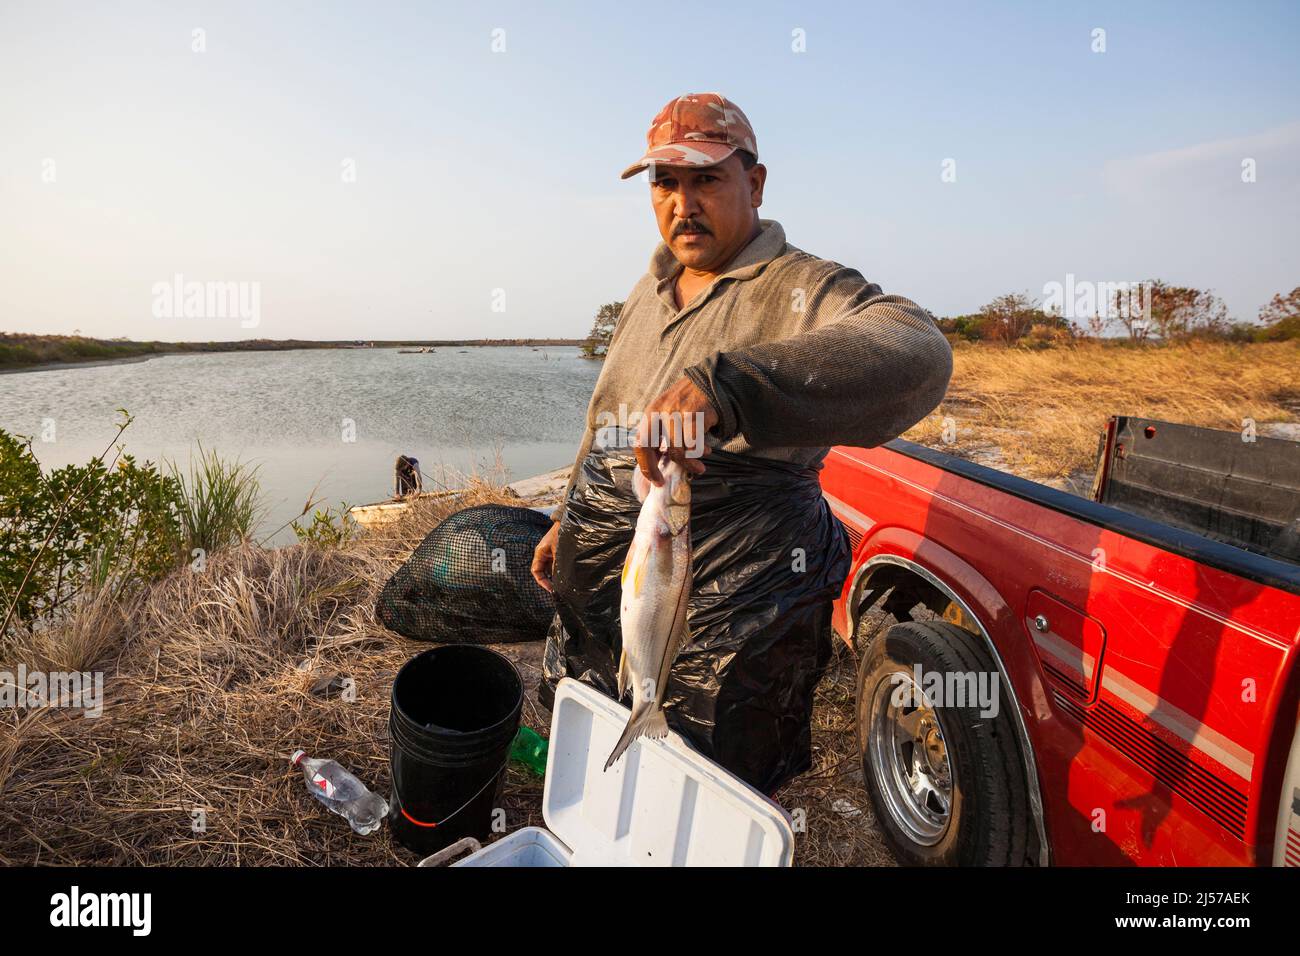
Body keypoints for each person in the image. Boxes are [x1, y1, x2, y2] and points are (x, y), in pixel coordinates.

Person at [531, 92, 953, 792]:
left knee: (715, 758)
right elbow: (605, 414)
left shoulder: (801, 286)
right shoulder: (650, 286)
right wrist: (562, 520)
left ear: (753, 184)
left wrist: (732, 386)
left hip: (746, 579)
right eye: (666, 183)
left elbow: (918, 351)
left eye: (706, 179)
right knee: (603, 709)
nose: (682, 204)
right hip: (620, 547)